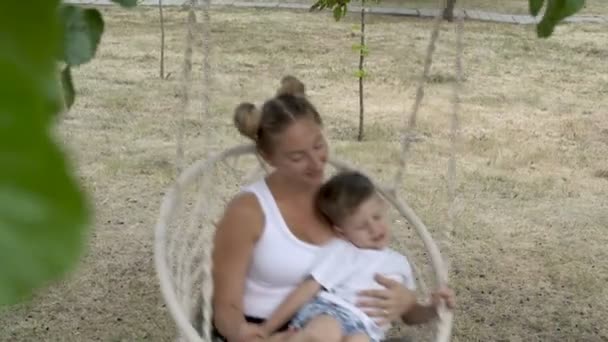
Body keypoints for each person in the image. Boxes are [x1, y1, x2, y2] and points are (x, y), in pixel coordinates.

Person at [212, 76, 436, 342]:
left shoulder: (339, 202)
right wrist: (242, 333)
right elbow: (226, 307)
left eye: (318, 146)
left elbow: (371, 263)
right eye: (297, 157)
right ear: (268, 156)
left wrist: (407, 300)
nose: (316, 163)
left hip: (340, 326)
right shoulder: (248, 212)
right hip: (266, 328)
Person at [256, 171, 455, 342]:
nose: (374, 229)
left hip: (367, 330)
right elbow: (308, 288)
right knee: (323, 334)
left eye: (376, 217)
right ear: (342, 232)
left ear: (383, 207)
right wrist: (265, 329)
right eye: (361, 226)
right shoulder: (343, 250)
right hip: (331, 312)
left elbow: (409, 315)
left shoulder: (400, 264)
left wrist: (432, 308)